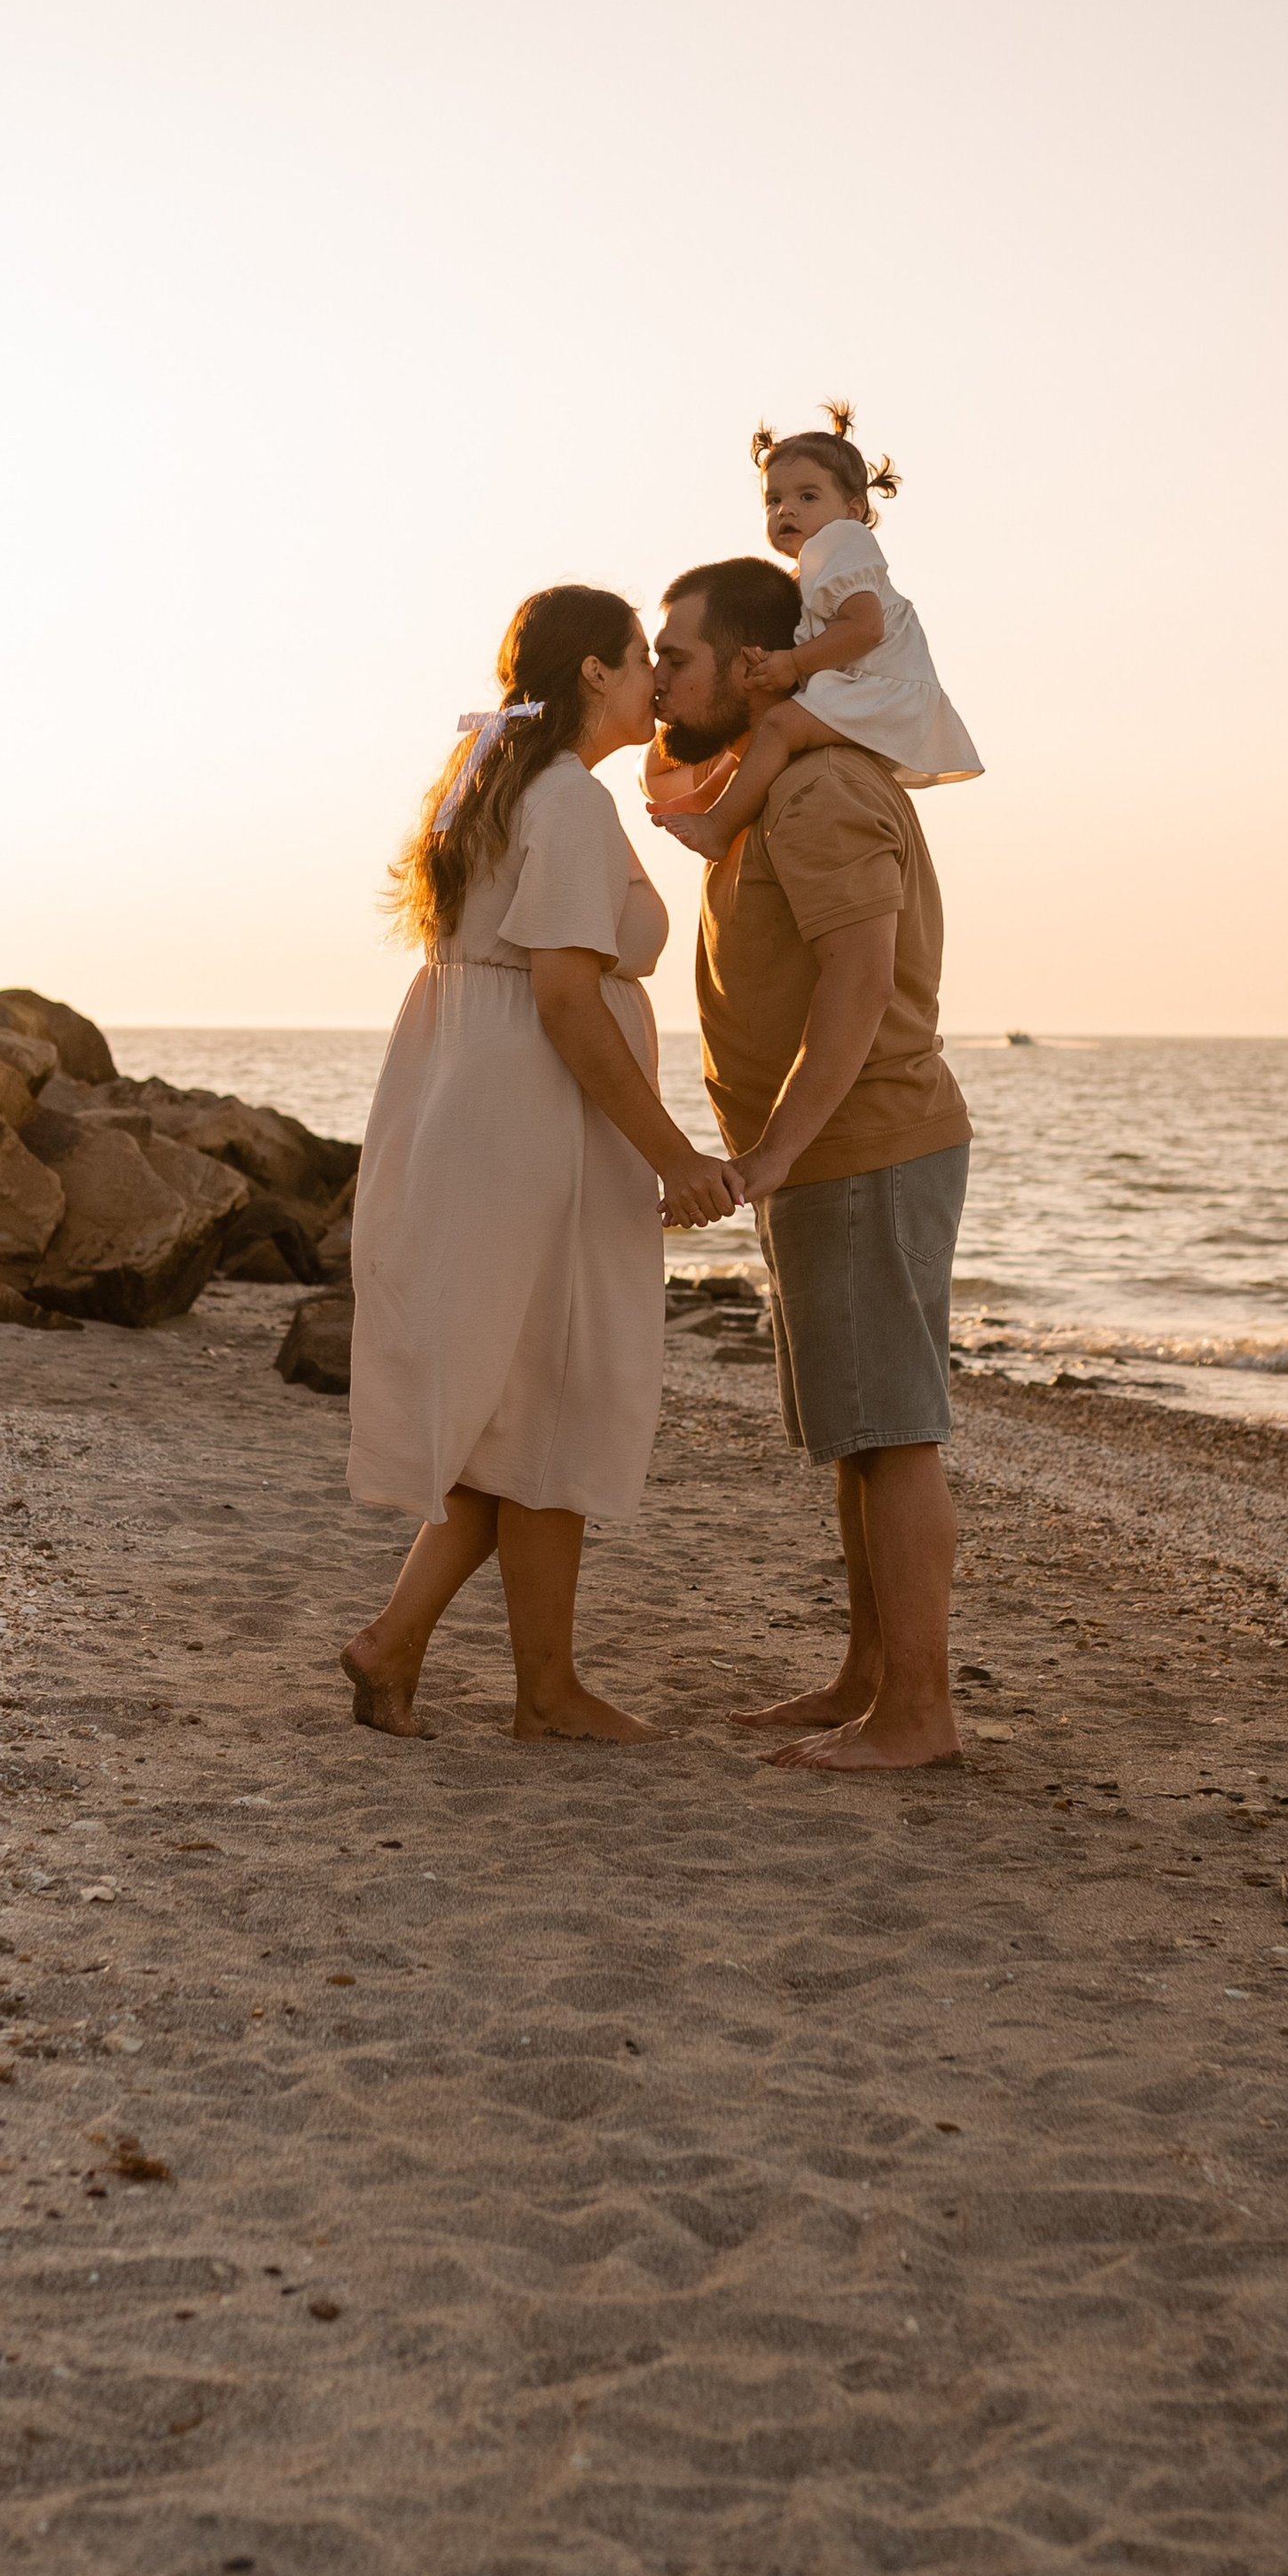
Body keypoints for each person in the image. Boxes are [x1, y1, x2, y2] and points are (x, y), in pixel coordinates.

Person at [341, 584, 743, 1746]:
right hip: (538, 1118)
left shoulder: (492, 778)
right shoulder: (564, 798)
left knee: (525, 1401)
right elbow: (570, 1000)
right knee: (556, 1391)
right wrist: (673, 1156)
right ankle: (540, 1690)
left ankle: (416, 1649)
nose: (655, 683)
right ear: (591, 678)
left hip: (474, 1099)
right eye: (638, 662)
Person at [652, 557, 973, 1773]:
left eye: (673, 655)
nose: (659, 675)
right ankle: (868, 1676)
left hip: (860, 1146)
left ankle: (920, 1710)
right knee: (858, 1428)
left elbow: (858, 981)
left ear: (748, 663)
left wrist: (775, 1152)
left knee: (893, 1432)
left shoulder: (823, 789)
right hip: (824, 1155)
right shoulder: (773, 783)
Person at [648, 404, 981, 864]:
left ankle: (719, 826)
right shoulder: (815, 566)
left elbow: (866, 627)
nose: (786, 509)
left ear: (853, 509)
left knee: (780, 725)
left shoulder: (841, 543)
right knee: (776, 728)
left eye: (808, 496)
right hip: (862, 688)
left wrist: (793, 663)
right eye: (774, 499)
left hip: (878, 687)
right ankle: (716, 799)